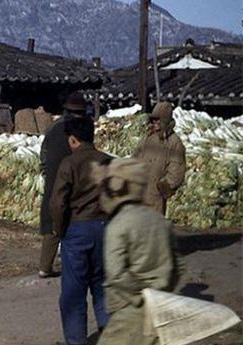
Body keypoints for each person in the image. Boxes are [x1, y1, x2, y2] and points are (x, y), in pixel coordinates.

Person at [94, 158, 181, 345]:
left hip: (130, 309)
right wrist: (163, 290)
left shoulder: (118, 226)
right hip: (160, 307)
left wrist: (141, 292)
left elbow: (116, 274)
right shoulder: (160, 221)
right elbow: (179, 265)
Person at [49, 117, 111, 345]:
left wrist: (59, 229)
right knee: (103, 286)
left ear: (73, 139)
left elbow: (57, 203)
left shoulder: (70, 164)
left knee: (74, 293)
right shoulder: (109, 162)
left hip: (77, 229)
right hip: (106, 229)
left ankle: (76, 340)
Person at [38, 91, 88, 278]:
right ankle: (72, 263)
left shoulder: (53, 127)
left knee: (52, 219)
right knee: (72, 219)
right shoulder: (81, 129)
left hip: (53, 178)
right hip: (72, 179)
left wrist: (45, 170)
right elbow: (86, 155)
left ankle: (45, 266)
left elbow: (44, 152)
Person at [134, 101, 186, 215]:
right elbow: (135, 158)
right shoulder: (148, 138)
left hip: (155, 199)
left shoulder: (174, 143)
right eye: (153, 120)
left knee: (152, 229)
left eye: (159, 120)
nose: (155, 123)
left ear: (166, 121)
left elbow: (176, 172)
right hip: (138, 194)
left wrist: (160, 189)